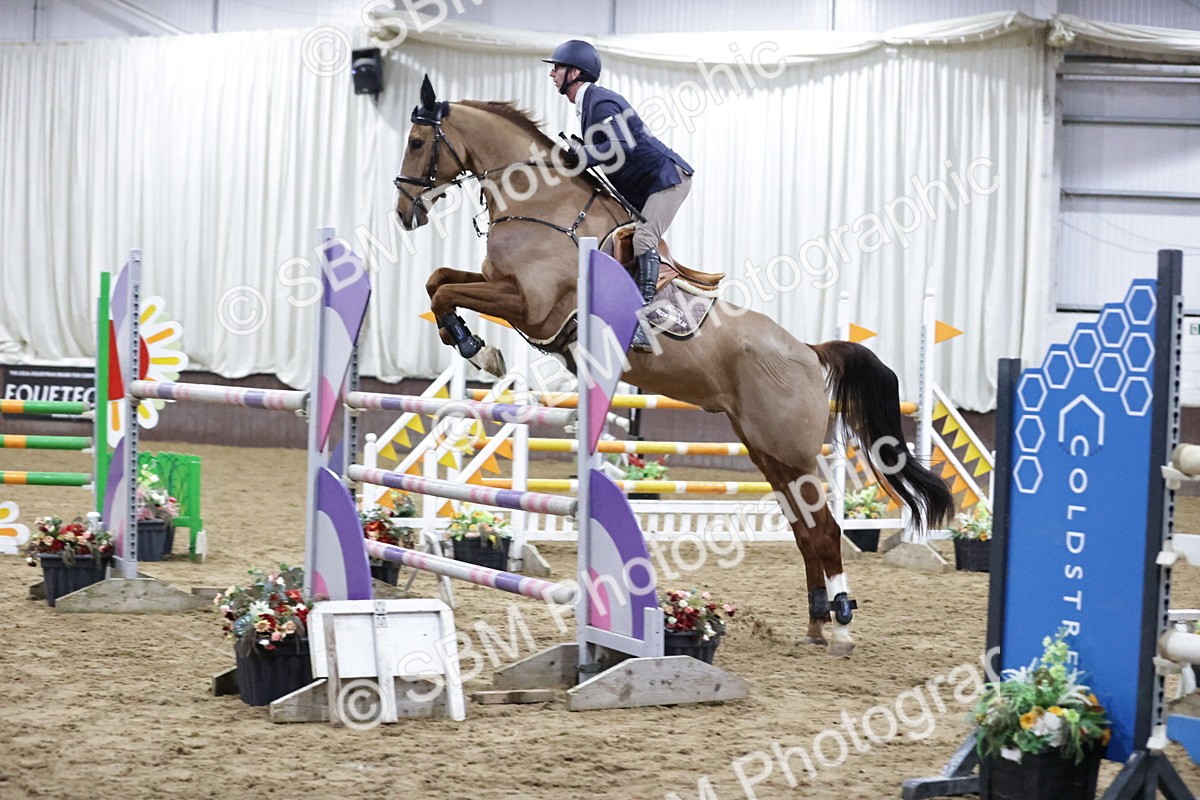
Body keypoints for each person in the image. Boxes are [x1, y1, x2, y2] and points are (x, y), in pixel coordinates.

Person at [543, 39, 694, 351]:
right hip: (647, 186)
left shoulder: (598, 100)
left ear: (574, 72)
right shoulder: (587, 106)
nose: (552, 73)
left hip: (668, 179)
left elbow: (622, 144)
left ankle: (643, 325)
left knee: (642, 241)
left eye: (557, 67)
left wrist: (583, 153)